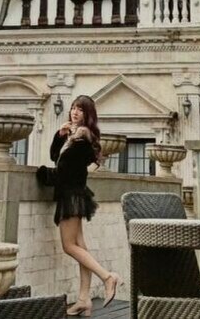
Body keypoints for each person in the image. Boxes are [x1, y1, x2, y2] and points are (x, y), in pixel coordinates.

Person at [38, 95, 119, 316]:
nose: (75, 112)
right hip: (74, 194)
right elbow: (55, 156)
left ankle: (107, 277)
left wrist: (44, 175)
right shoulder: (73, 136)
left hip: (71, 195)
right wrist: (60, 135)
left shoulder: (82, 140)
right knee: (80, 246)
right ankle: (84, 299)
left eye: (80, 109)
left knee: (69, 246)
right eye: (73, 108)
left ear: (87, 114)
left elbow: (65, 171)